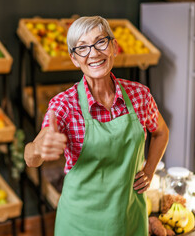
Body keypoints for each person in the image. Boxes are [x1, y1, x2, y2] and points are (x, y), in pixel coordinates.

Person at [24, 16, 169, 235]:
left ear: (114, 47)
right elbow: (31, 157)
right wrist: (38, 148)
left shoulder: (139, 95)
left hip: (128, 219)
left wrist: (149, 170)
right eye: (82, 48)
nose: (93, 53)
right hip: (80, 224)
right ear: (74, 59)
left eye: (100, 42)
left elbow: (161, 132)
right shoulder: (64, 105)